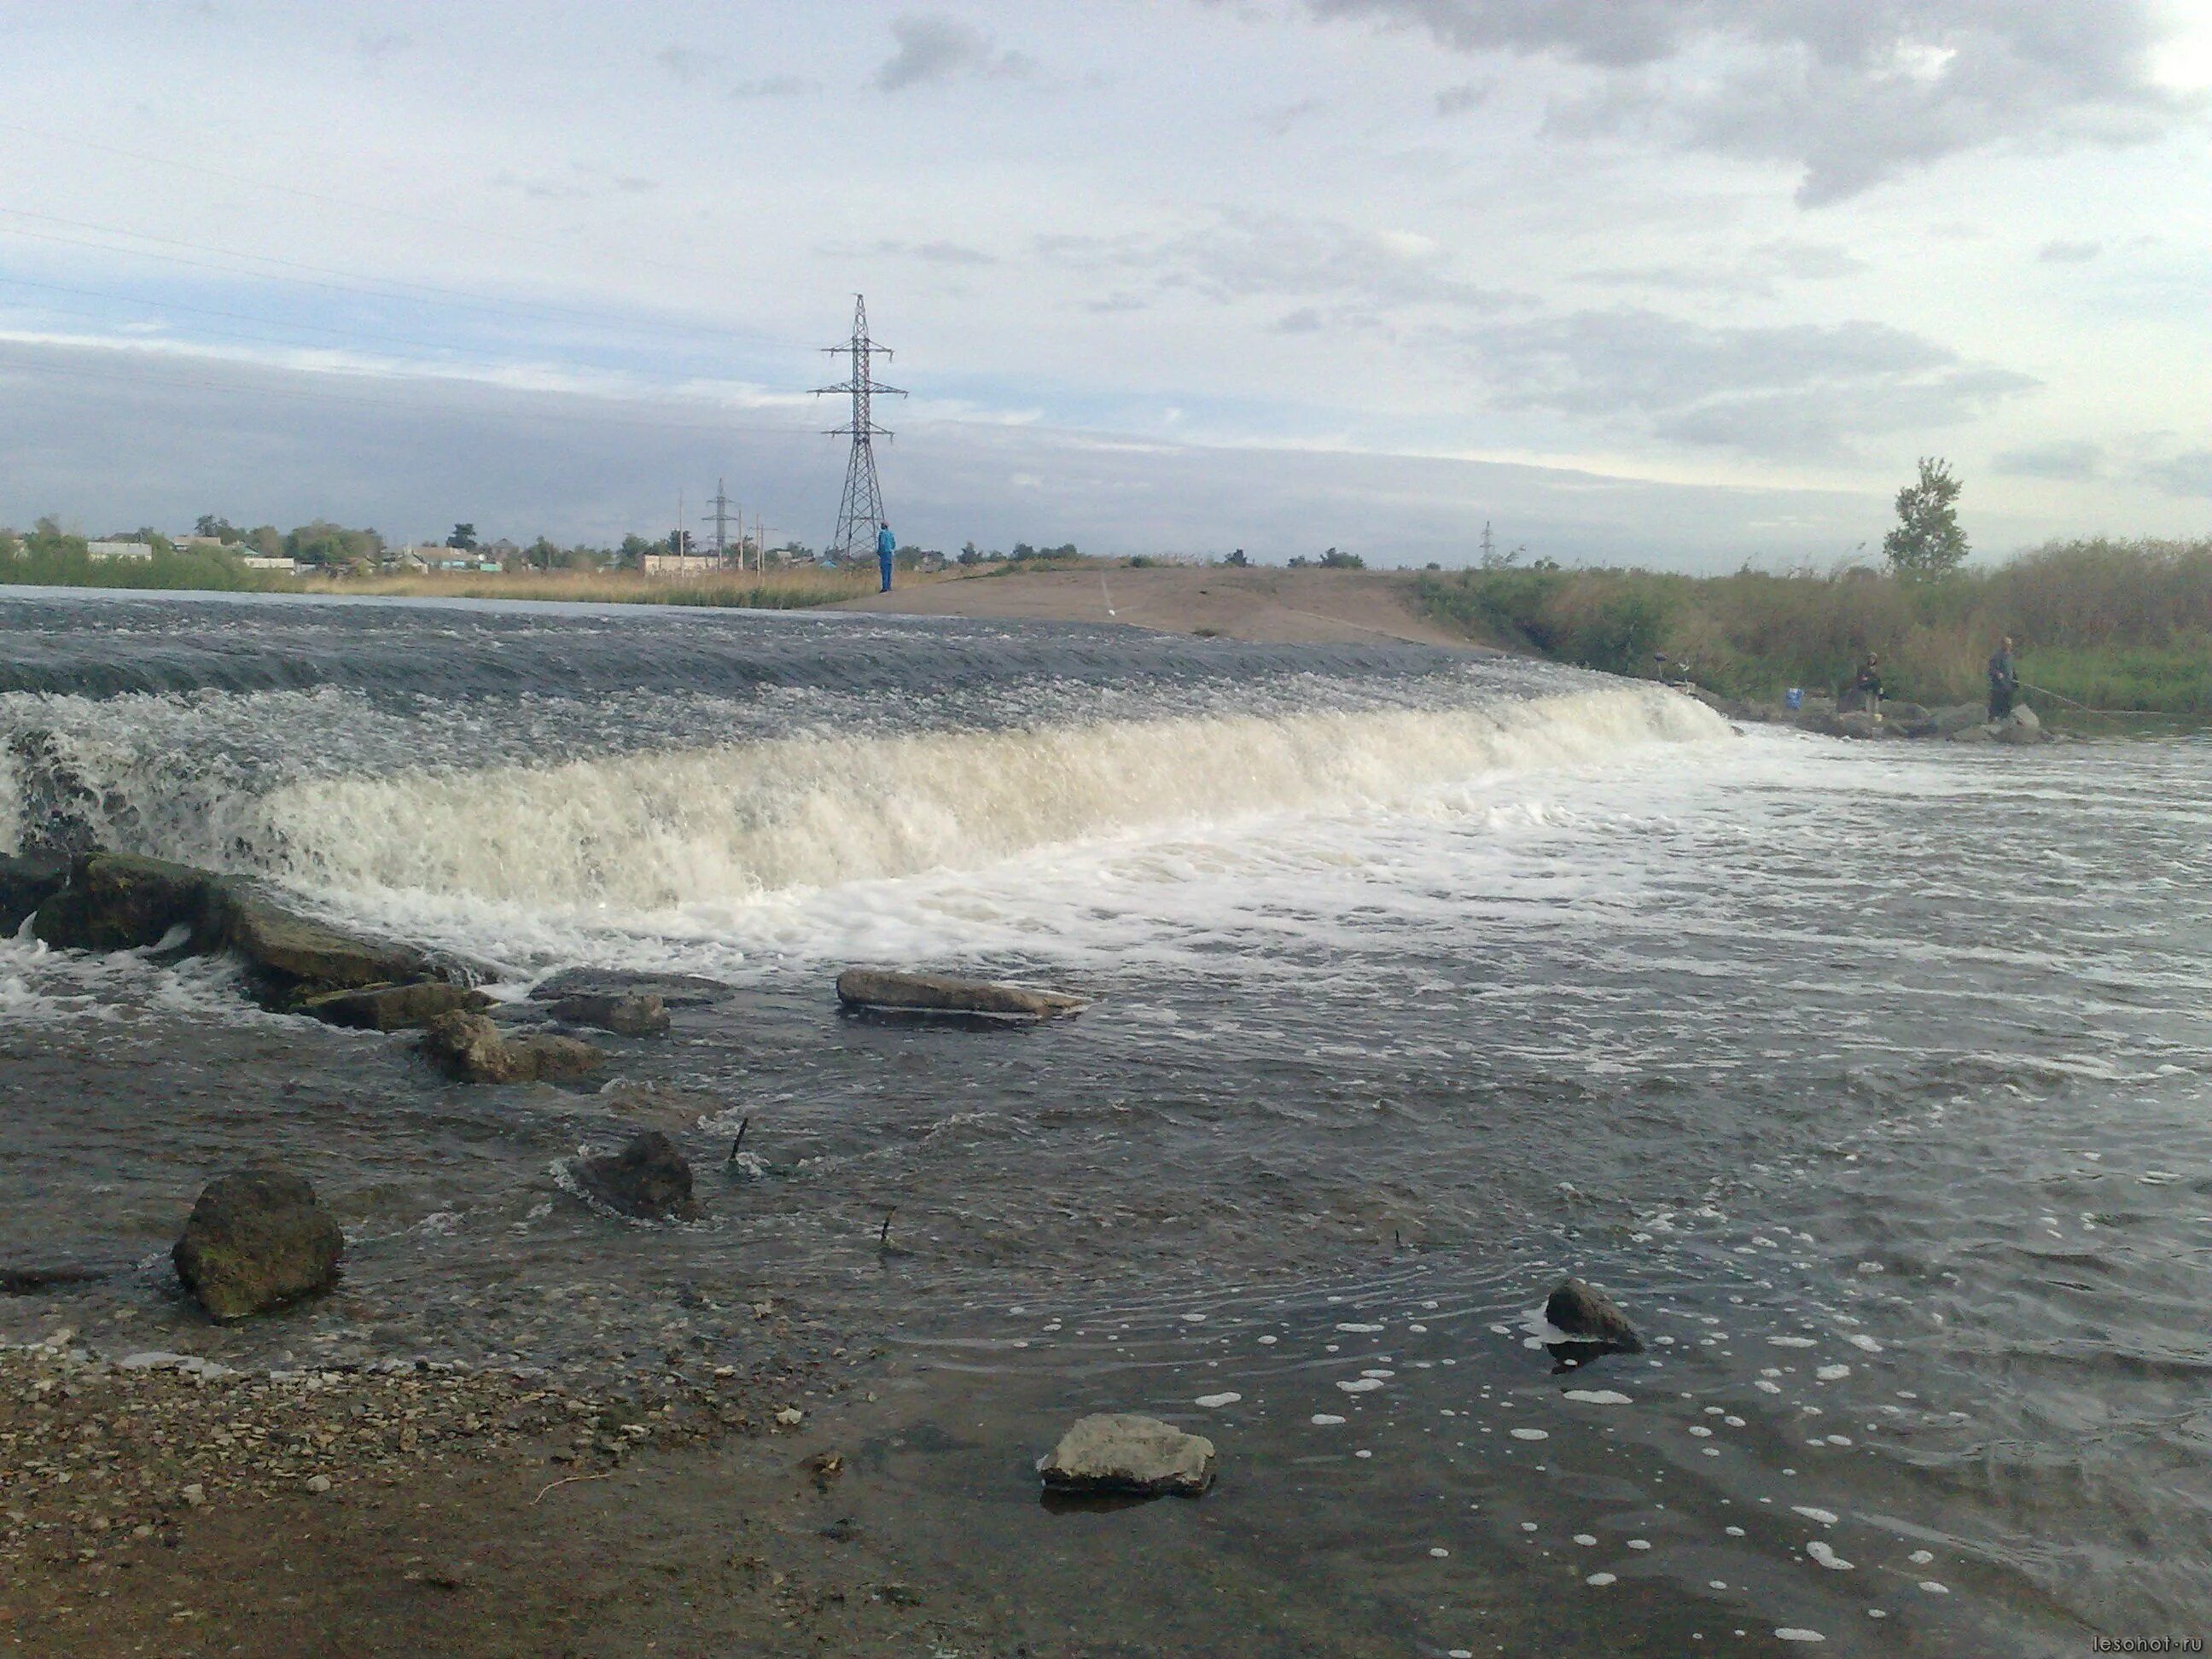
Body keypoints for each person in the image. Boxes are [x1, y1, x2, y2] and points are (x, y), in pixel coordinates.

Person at [1988, 636, 2018, 720]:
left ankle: (2006, 722)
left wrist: (2016, 681)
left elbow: (2012, 669)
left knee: (2008, 706)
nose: (2009, 646)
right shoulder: (1997, 656)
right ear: (2002, 644)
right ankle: (1992, 722)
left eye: (2010, 645)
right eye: (2007, 644)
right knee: (1996, 706)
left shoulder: (2010, 656)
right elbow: (1992, 669)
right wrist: (1998, 673)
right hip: (1999, 687)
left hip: (2009, 686)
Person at [1846, 652, 1883, 718]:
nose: (1872, 660)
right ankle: (1868, 714)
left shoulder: (1877, 669)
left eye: (1873, 658)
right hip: (1867, 687)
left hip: (1875, 688)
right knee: (1868, 701)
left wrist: (1880, 688)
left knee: (1875, 702)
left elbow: (1879, 679)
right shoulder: (1864, 668)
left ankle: (1874, 714)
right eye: (1871, 658)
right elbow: (1861, 677)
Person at [875, 523, 896, 594]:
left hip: (884, 553)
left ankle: (885, 587)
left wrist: (879, 551)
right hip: (890, 553)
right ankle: (889, 586)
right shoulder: (891, 533)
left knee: (884, 570)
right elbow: (893, 543)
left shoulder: (882, 533)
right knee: (889, 570)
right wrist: (891, 549)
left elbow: (882, 543)